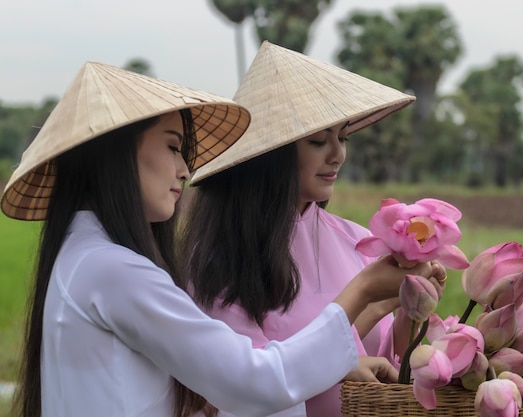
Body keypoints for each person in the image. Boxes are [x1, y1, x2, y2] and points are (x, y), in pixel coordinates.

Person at [1, 61, 429, 417]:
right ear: (116, 156)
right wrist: (361, 294)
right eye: (172, 147)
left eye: (343, 138)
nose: (185, 170)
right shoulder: (113, 270)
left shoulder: (84, 258)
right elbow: (255, 382)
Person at [182, 41, 448, 417]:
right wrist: (334, 367)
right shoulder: (225, 260)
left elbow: (385, 363)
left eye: (343, 137)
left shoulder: (359, 241)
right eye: (318, 140)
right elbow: (245, 386)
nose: (337, 154)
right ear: (270, 154)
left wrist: (410, 311)